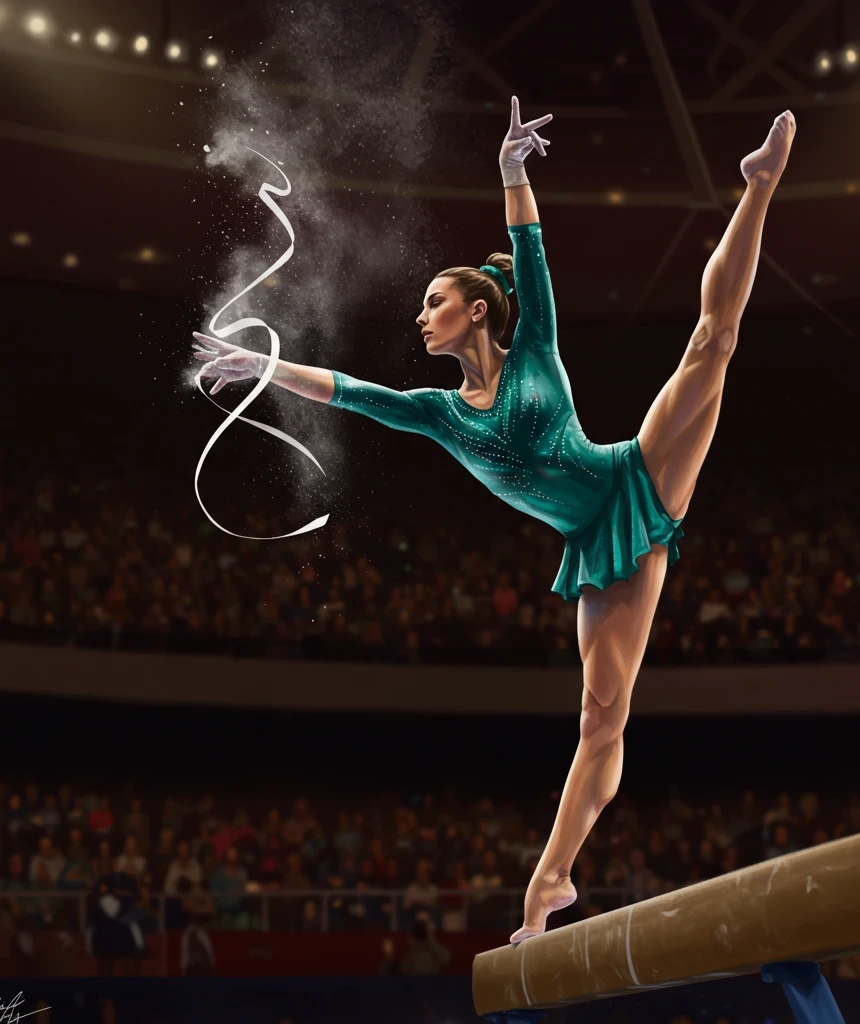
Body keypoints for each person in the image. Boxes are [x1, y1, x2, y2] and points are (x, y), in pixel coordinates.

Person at [192, 96, 795, 943]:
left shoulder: (536, 343)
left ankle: (759, 186)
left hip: (633, 474)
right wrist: (265, 362)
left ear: (477, 310)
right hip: (595, 544)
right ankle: (550, 881)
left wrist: (511, 174)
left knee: (711, 343)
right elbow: (353, 394)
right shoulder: (440, 412)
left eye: (432, 300)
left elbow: (530, 253)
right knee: (601, 717)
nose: (419, 313)